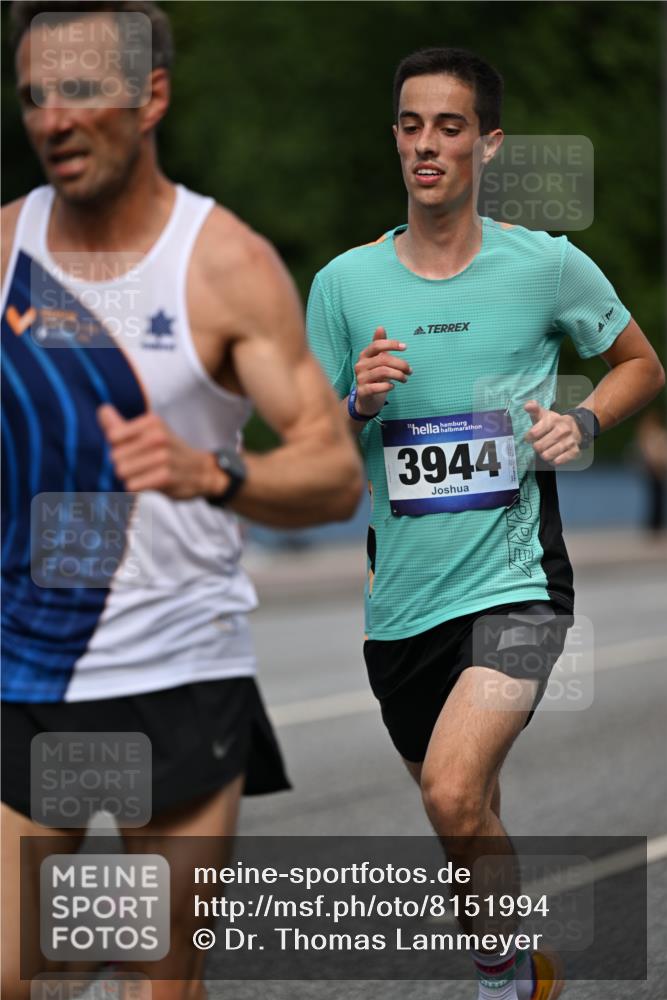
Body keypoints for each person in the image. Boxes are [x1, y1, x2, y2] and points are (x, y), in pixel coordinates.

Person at [1, 3, 362, 999]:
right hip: (28, 670)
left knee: (157, 983)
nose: (53, 118)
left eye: (82, 90)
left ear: (151, 95)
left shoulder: (226, 266)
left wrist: (216, 474)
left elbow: (334, 477)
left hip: (175, 669)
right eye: (35, 93)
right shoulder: (3, 248)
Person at [306, 46, 665, 1000]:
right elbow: (306, 456)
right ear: (395, 138)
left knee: (453, 794)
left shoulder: (544, 265)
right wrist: (352, 402)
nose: (428, 145)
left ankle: (503, 984)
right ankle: (520, 966)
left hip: (517, 585)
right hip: (402, 604)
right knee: (469, 814)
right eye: (412, 125)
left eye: (450, 126)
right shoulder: (343, 286)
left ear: (487, 144)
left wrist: (581, 420)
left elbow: (641, 363)